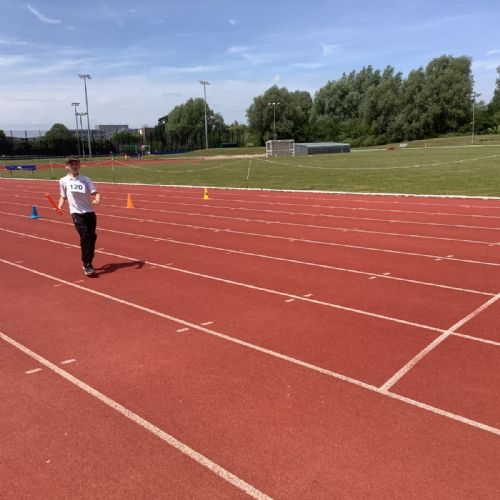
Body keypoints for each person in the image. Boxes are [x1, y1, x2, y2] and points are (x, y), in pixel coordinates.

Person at [58, 157, 101, 276]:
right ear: (67, 166)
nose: (74, 166)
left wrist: (97, 199)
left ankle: (88, 260)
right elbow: (63, 196)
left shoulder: (85, 179)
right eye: (71, 164)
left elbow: (96, 193)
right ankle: (87, 264)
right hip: (76, 212)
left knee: (92, 237)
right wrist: (59, 207)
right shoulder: (63, 181)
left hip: (89, 212)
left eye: (76, 164)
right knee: (85, 235)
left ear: (80, 165)